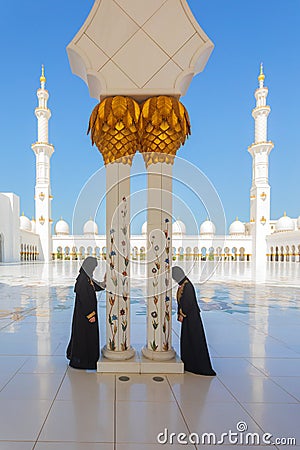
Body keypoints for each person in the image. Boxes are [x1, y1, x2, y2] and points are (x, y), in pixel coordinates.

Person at [172, 266, 216, 376]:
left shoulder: (188, 286)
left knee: (194, 340)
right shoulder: (184, 284)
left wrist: (182, 313)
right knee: (188, 340)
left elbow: (188, 303)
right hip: (188, 319)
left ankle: (198, 366)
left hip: (192, 319)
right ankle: (190, 364)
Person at [66, 256, 106, 370]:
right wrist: (91, 315)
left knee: (87, 336)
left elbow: (95, 286)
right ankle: (81, 361)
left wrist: (104, 282)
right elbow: (85, 300)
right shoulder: (83, 280)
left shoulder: (87, 277)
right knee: (84, 336)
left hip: (86, 315)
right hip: (84, 316)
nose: (93, 270)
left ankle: (89, 359)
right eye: (93, 268)